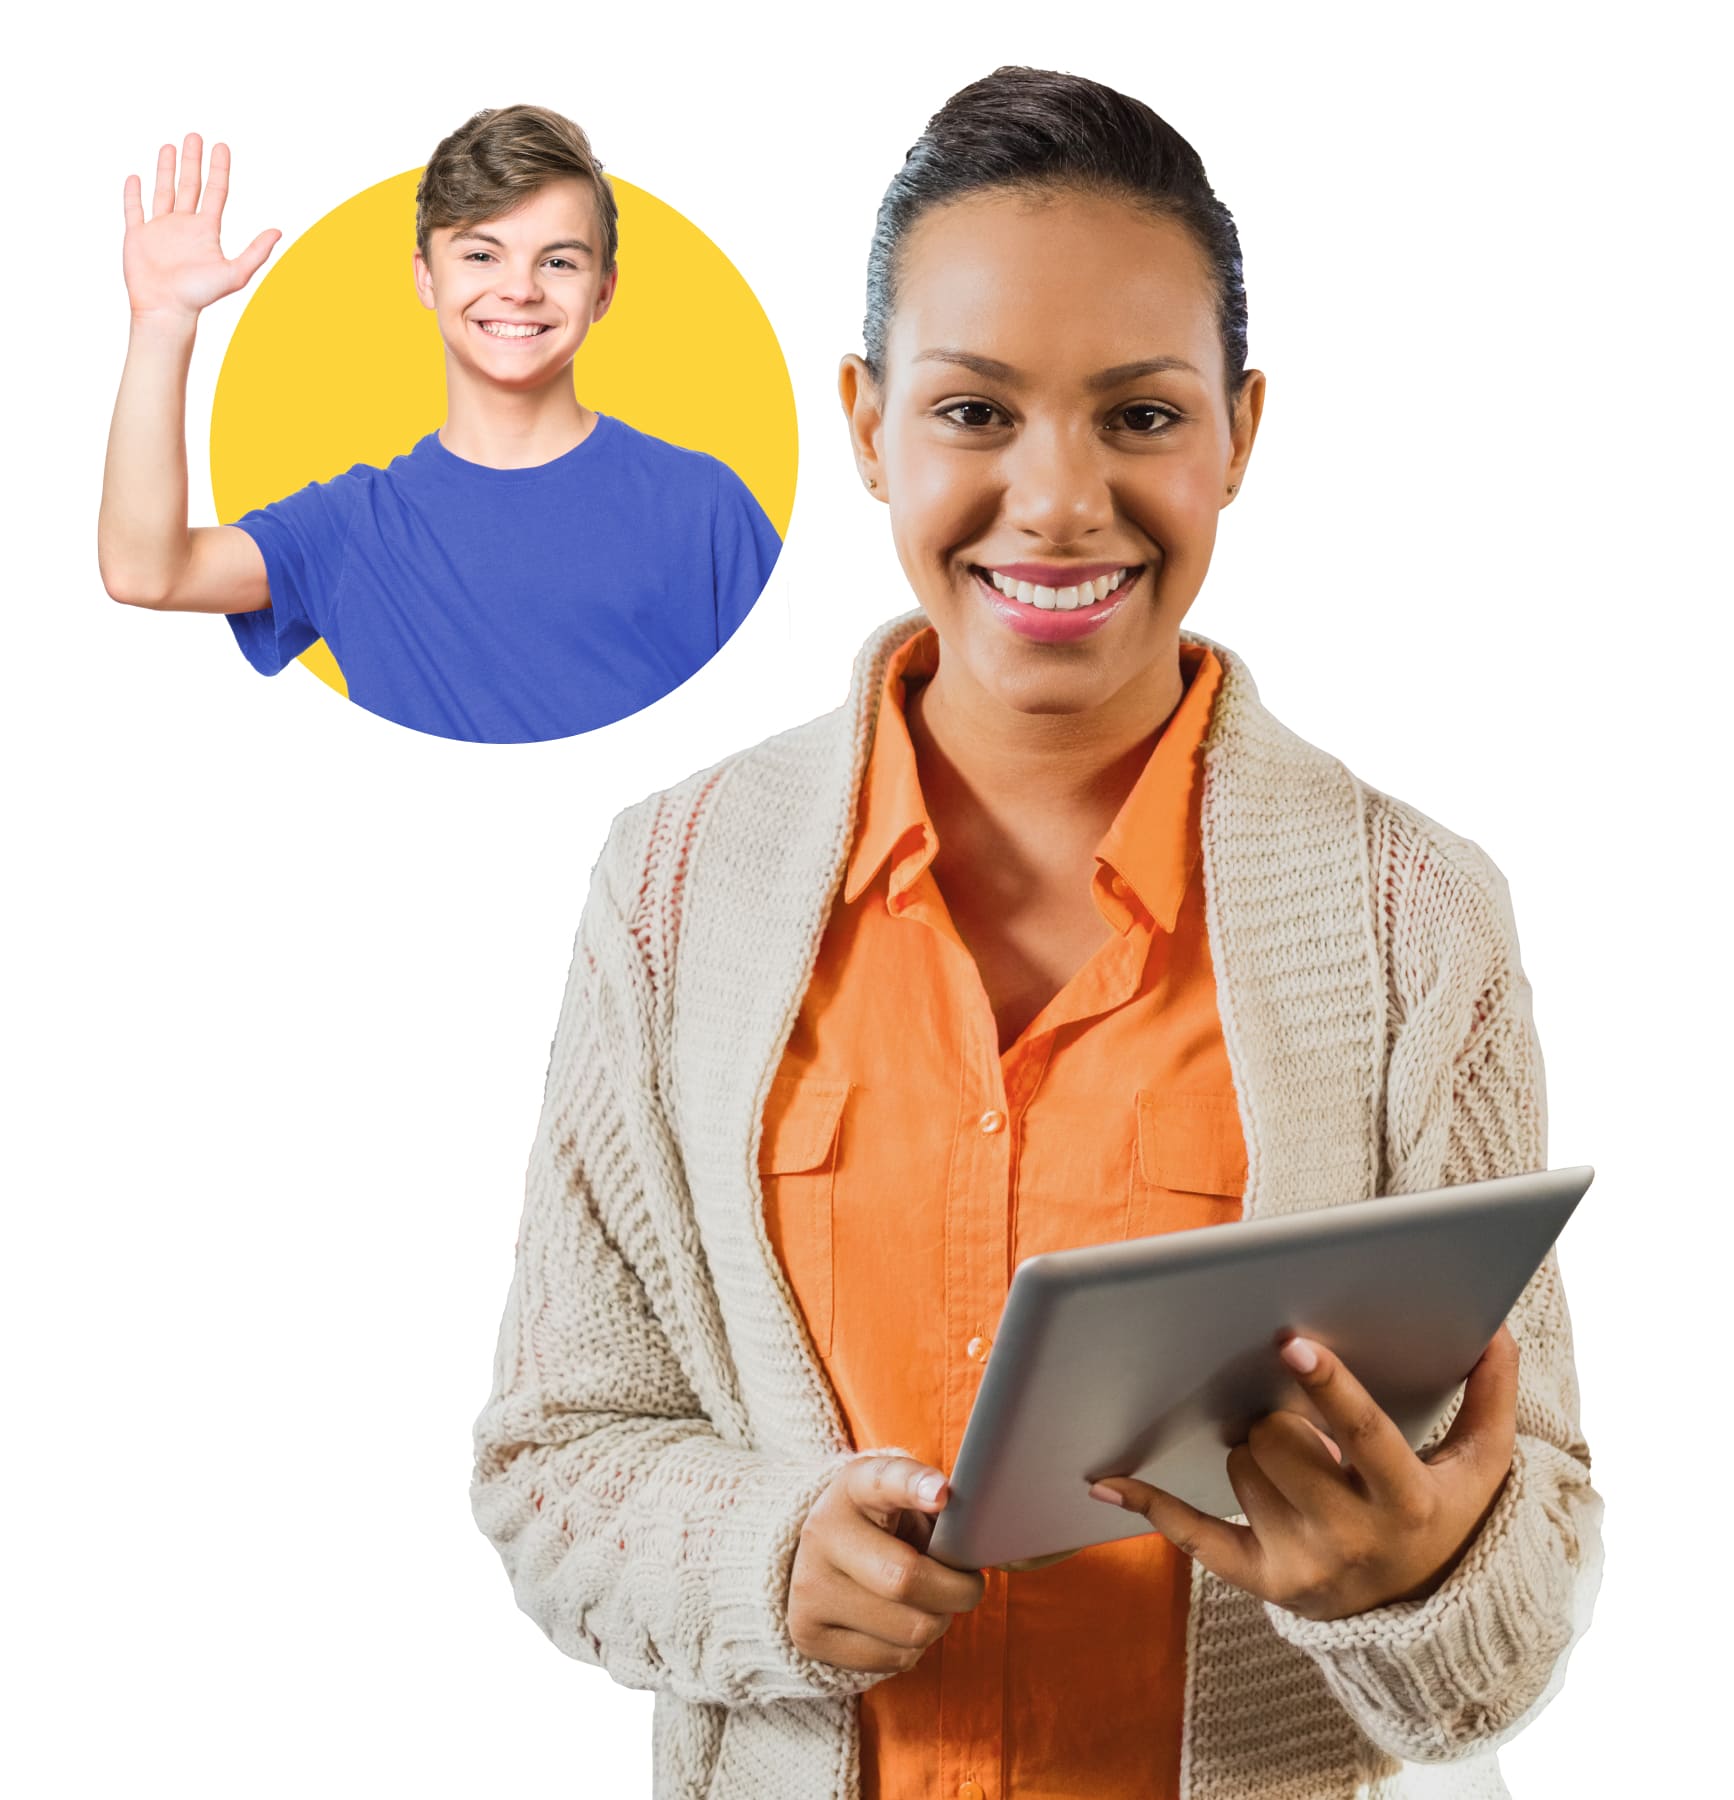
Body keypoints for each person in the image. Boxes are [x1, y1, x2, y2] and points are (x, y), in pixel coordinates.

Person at [469, 66, 1603, 1799]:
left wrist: (1418, 1580)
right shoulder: (674, 885)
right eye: (975, 413)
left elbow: (1518, 1577)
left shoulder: (1412, 922)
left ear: (1237, 431)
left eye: (1138, 417)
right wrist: (761, 1555)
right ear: (866, 425)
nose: (1057, 500)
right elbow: (556, 1460)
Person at [96, 105, 782, 745]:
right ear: (426, 278)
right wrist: (162, 325)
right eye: (482, 254)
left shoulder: (705, 505)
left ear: (604, 289)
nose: (520, 288)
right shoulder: (354, 527)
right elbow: (144, 572)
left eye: (560, 260)